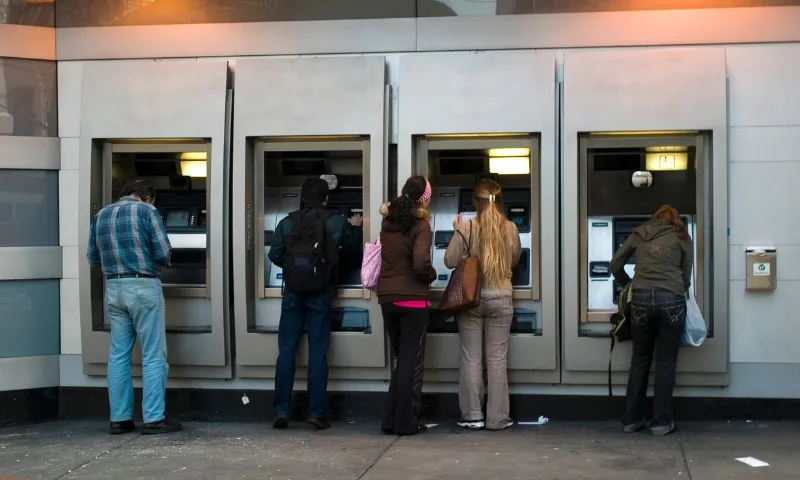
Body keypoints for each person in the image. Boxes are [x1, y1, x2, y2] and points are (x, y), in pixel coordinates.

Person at [87, 179, 181, 435]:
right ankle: (153, 419)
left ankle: (119, 419)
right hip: (142, 286)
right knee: (152, 355)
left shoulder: (101, 214)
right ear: (148, 196)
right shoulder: (147, 211)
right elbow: (164, 251)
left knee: (118, 355)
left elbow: (93, 257)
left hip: (114, 288)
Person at [269, 177, 362, 430]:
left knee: (286, 350)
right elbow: (354, 257)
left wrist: (295, 270)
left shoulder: (287, 222)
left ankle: (280, 410)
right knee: (317, 352)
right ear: (326, 198)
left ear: (301, 197)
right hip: (320, 292)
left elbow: (274, 254)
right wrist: (354, 229)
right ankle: (317, 413)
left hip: (292, 293)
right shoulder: (337, 221)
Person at [444, 179, 521, 431]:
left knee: (471, 358)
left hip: (471, 299)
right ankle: (497, 418)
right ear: (499, 202)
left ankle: (472, 416)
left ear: (475, 202)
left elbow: (449, 260)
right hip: (501, 297)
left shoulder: (467, 227)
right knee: (497, 360)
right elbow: (515, 259)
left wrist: (458, 232)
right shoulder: (510, 228)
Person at [610, 204, 693, 436]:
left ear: (654, 219)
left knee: (640, 360)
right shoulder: (682, 235)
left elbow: (615, 264)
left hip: (642, 300)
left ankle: (632, 420)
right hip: (672, 301)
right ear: (675, 220)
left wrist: (627, 283)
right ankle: (661, 423)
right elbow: (686, 274)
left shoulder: (640, 233)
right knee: (666, 363)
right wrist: (677, 288)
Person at [376, 175, 437, 436]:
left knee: (402, 361)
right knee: (410, 363)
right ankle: (406, 423)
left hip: (388, 298)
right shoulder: (421, 224)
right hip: (412, 300)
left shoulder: (387, 221)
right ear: (425, 198)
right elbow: (420, 263)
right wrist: (432, 275)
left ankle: (390, 420)